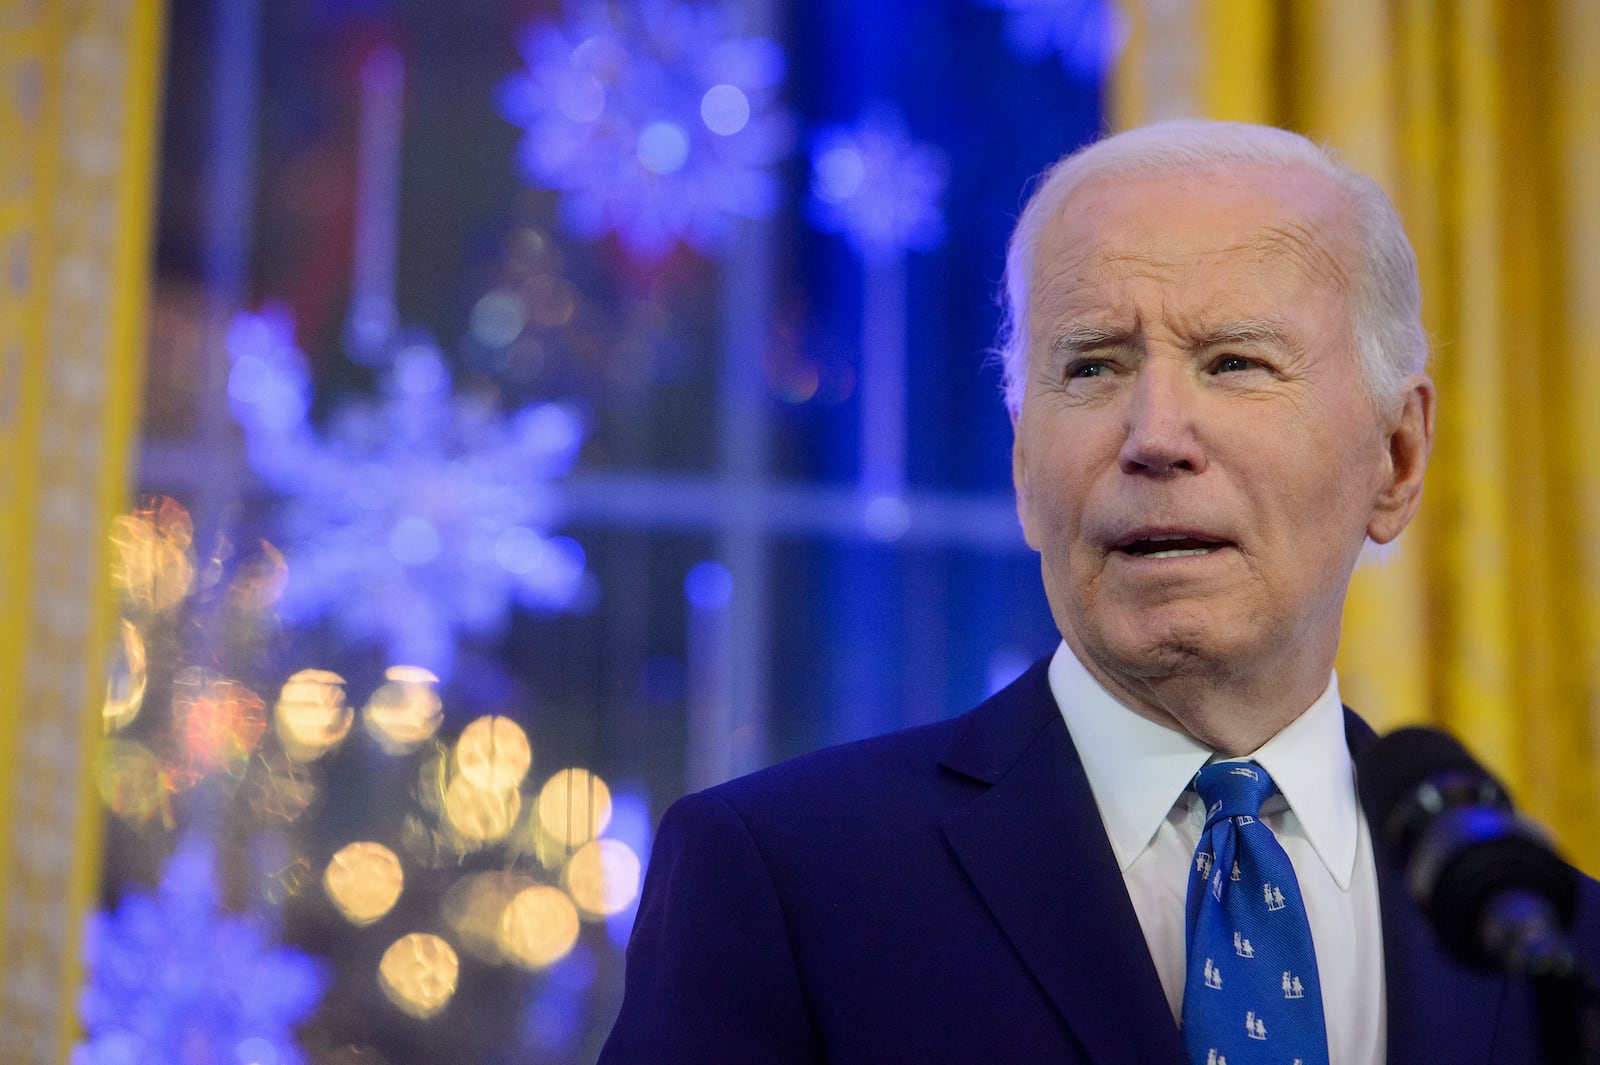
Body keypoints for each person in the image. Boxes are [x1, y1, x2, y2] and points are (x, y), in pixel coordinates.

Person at [597, 120, 1600, 1064]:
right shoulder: (785, 882)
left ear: (1396, 456)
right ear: (1024, 462)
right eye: (1092, 368)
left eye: (1235, 362)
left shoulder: (1557, 946)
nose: (1155, 436)